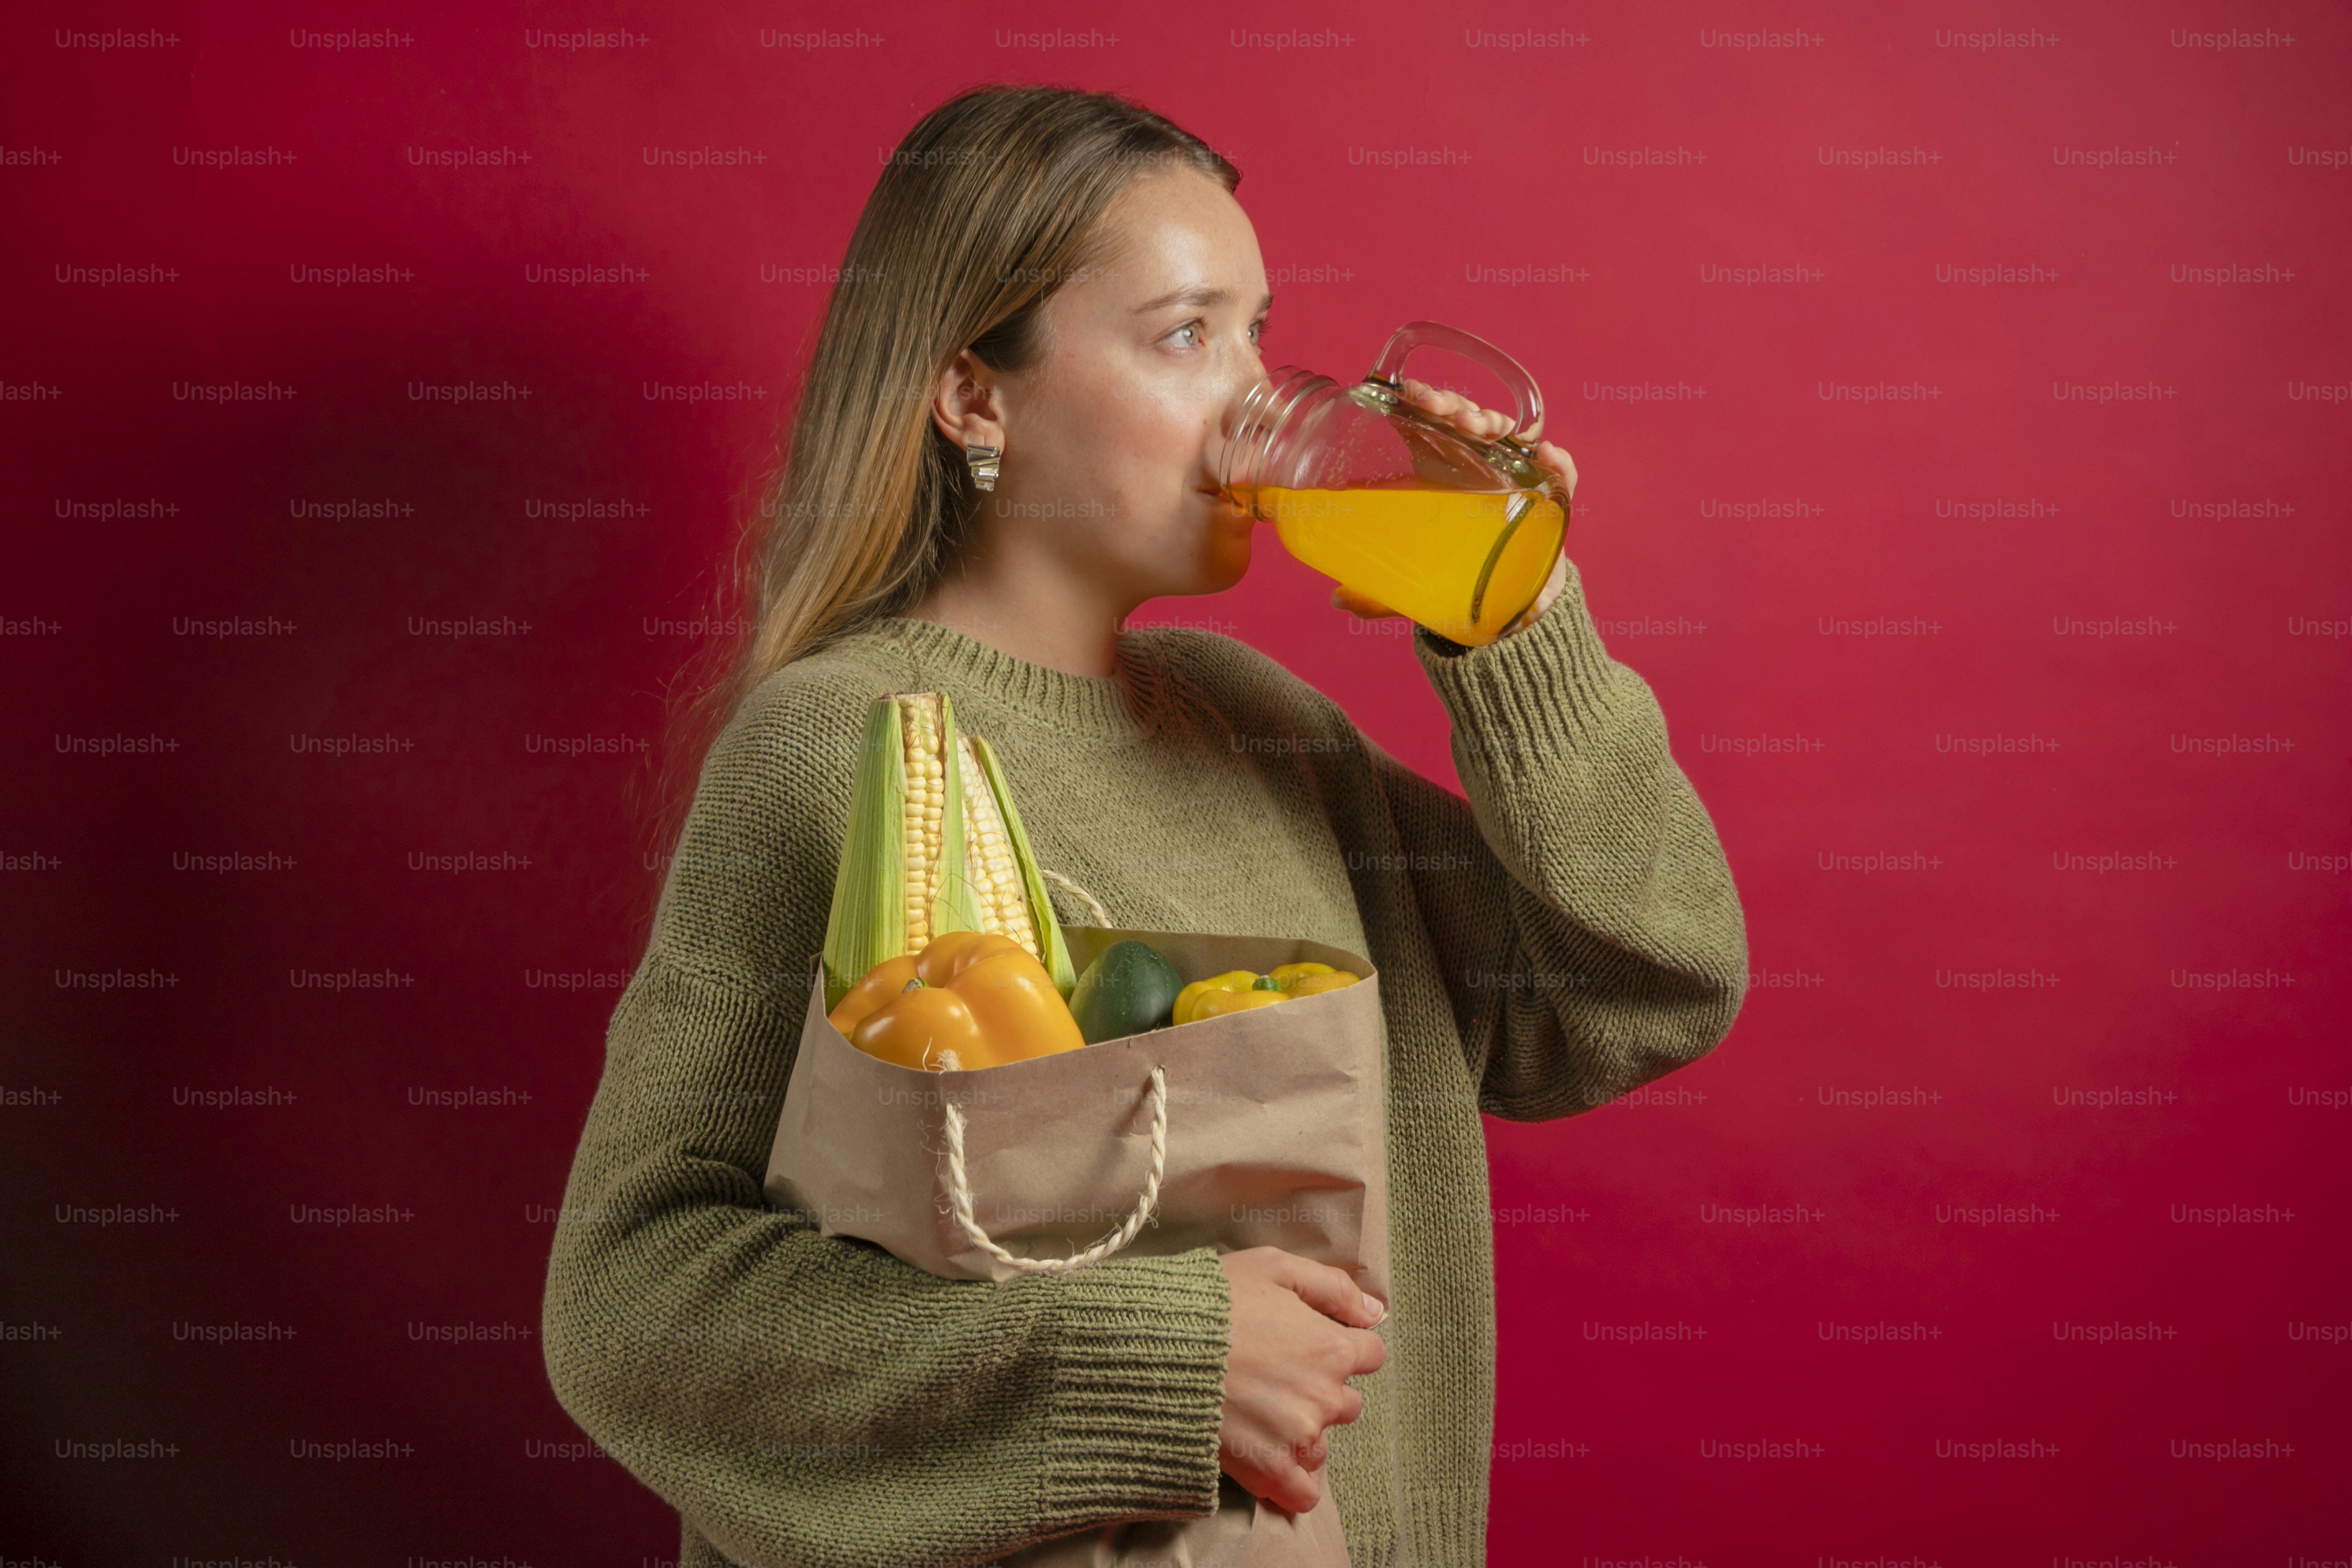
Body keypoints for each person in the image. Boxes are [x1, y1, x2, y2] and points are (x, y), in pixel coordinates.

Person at [540, 83, 1747, 1568]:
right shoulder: (841, 746)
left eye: (1255, 330)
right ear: (974, 395)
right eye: (1185, 336)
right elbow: (631, 1303)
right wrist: (1157, 1365)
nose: (1255, 399)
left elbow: (1638, 988)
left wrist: (1515, 626)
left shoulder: (1259, 722)